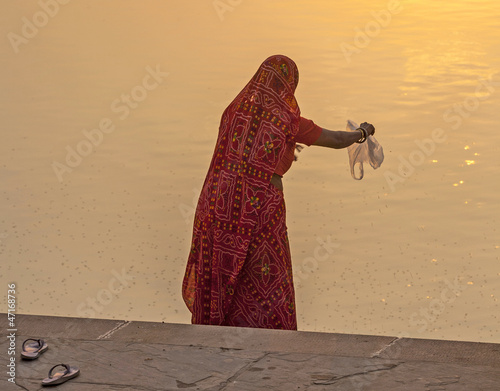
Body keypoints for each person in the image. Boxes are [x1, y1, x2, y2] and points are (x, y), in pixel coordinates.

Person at [182, 55, 375, 330]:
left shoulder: (234, 110)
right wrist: (362, 133)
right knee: (267, 271)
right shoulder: (286, 118)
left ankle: (221, 329)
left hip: (218, 202)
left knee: (226, 266)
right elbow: (334, 139)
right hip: (260, 206)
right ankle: (269, 334)